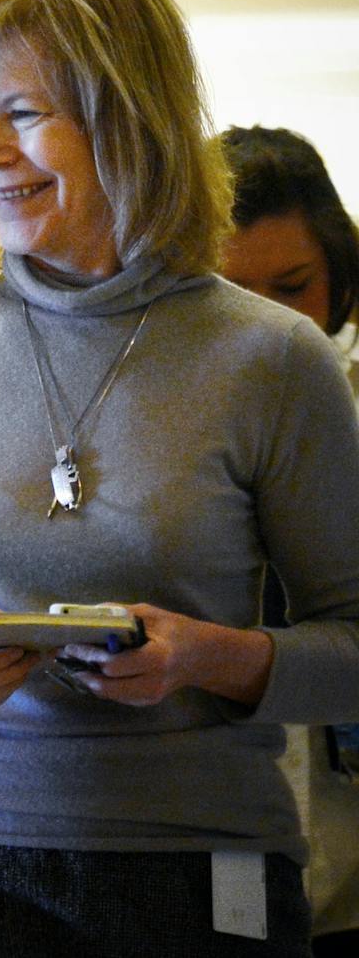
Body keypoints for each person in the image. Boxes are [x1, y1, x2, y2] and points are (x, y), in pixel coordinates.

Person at [0, 0, 359, 957]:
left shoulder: (273, 357)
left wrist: (204, 655)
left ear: (130, 116)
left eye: (21, 114)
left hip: (206, 865)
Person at [218, 124, 359, 956]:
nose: (271, 327)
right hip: (219, 824)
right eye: (235, 293)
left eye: (293, 286)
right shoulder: (154, 435)